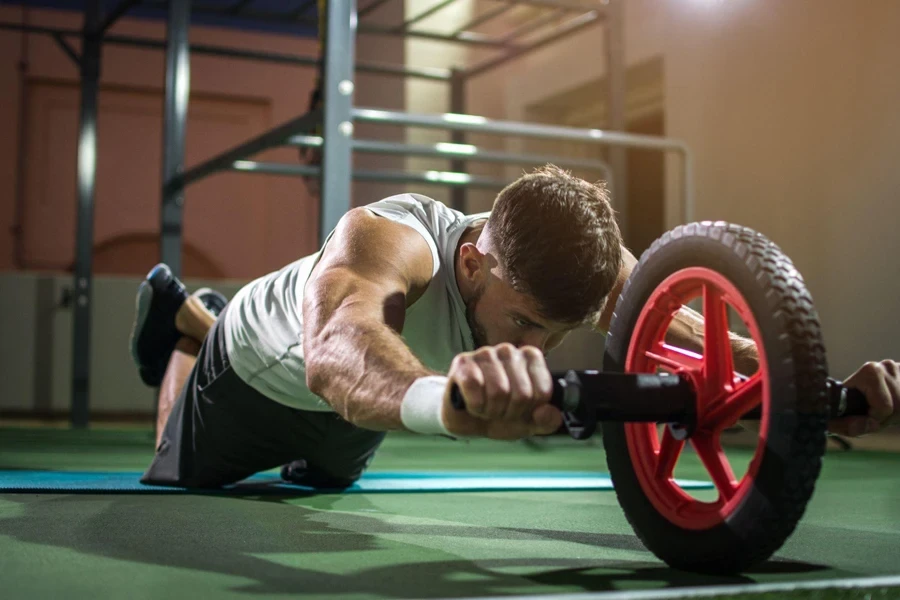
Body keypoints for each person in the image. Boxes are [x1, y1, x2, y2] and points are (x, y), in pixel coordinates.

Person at [129, 165, 899, 489]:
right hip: (262, 371)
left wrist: (823, 388)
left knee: (325, 482)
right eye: (525, 322)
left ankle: (200, 322)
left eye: (556, 333)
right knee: (178, 474)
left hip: (365, 405)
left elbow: (712, 346)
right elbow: (336, 356)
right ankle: (187, 327)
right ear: (472, 264)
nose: (535, 352)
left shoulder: (586, 269)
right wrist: (448, 404)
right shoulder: (391, 239)